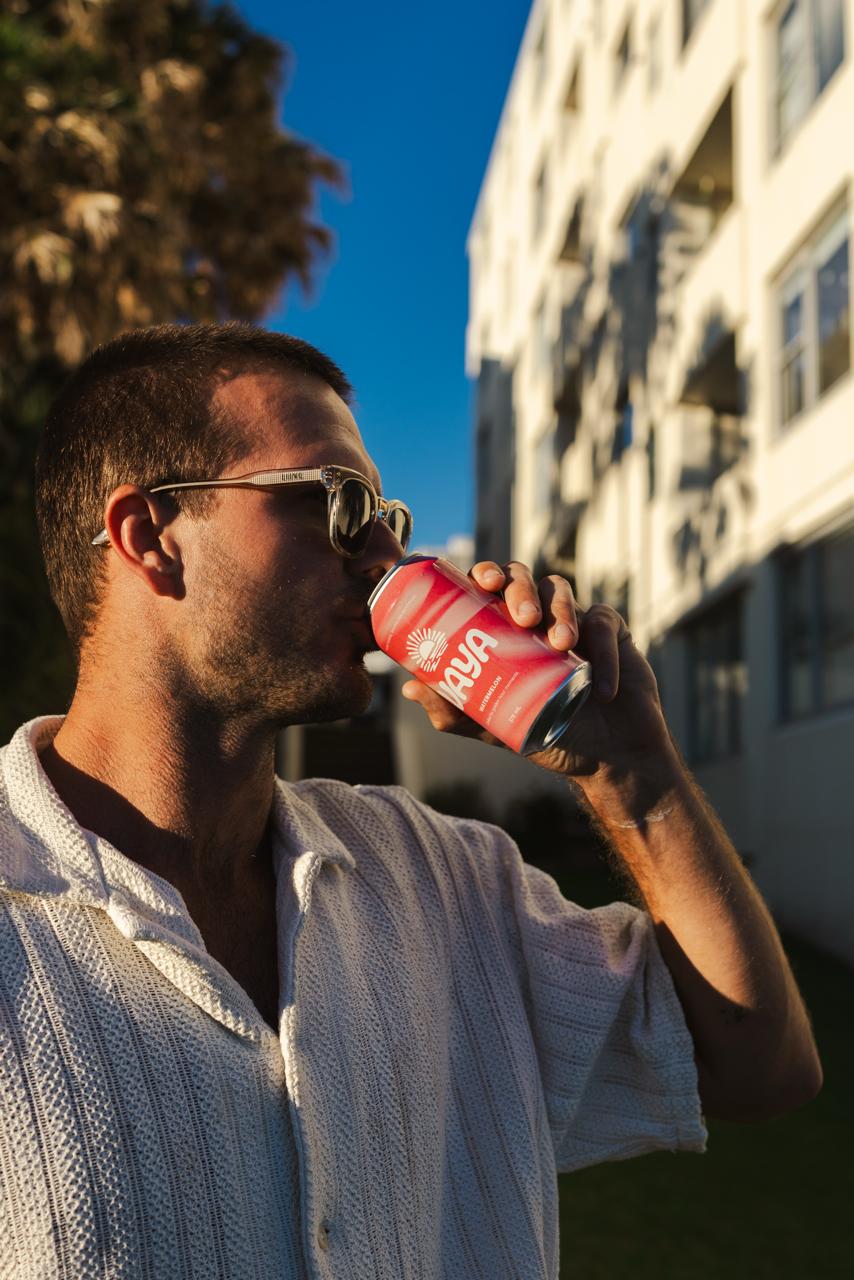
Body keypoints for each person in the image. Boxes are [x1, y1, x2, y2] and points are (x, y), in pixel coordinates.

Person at [1, 322, 820, 1279]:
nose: (387, 550)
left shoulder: (449, 881)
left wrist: (631, 773)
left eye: (385, 510)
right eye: (338, 501)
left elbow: (758, 1068)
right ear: (149, 538)